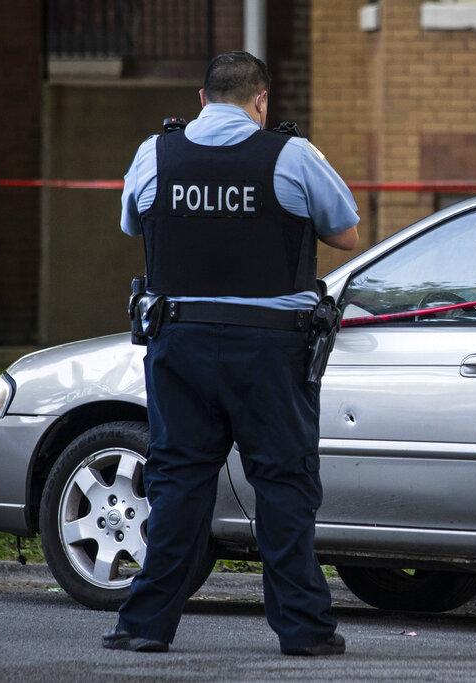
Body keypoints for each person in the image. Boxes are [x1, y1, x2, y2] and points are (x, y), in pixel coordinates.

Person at [104, 51, 359, 655]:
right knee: (283, 485)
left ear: (201, 98)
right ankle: (302, 630)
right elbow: (346, 232)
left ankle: (143, 626)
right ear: (261, 100)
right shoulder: (291, 155)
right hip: (269, 353)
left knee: (177, 485)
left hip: (180, 344)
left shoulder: (155, 153)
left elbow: (133, 226)